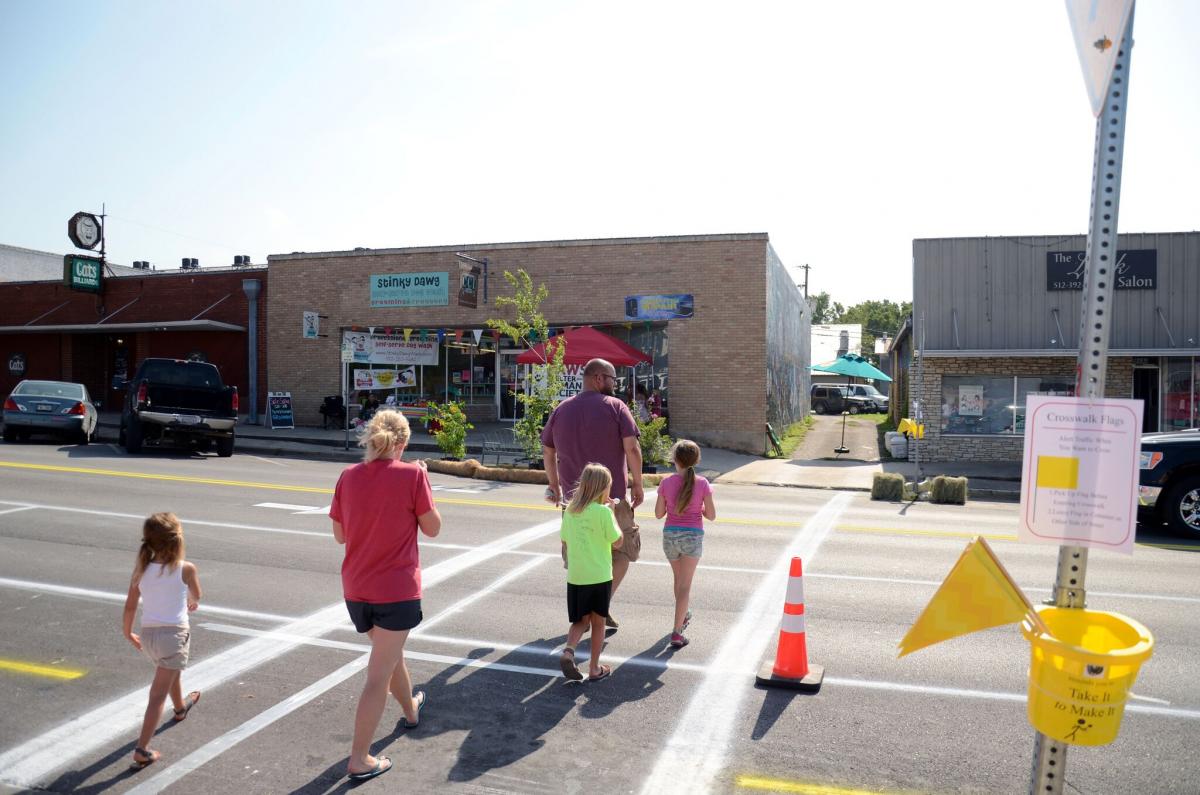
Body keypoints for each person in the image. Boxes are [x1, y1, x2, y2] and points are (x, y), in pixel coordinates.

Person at [330, 408, 442, 782]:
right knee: (377, 675)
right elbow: (433, 529)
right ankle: (359, 759)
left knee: (389, 655)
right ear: (404, 443)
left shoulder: (348, 476)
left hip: (357, 590)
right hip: (396, 591)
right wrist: (424, 480)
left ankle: (410, 709)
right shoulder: (413, 475)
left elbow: (340, 535)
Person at [542, 358, 644, 629]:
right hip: (613, 500)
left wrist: (554, 485)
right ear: (598, 378)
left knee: (579, 558)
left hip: (573, 503)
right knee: (622, 554)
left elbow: (548, 450)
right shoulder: (616, 407)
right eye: (612, 379)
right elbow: (632, 448)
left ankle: (589, 613)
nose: (615, 384)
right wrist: (638, 483)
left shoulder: (562, 410)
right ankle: (601, 607)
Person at [121, 512, 203, 769]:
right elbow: (197, 595)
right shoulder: (186, 568)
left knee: (170, 671)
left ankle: (180, 708)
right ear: (178, 540)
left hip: (149, 636)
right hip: (174, 636)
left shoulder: (141, 570)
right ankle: (142, 749)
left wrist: (127, 632)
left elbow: (130, 606)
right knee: (157, 695)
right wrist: (190, 600)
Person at [559, 463, 623, 682]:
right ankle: (594, 668)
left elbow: (565, 539)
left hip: (577, 576)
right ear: (603, 488)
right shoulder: (604, 512)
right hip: (599, 575)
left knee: (580, 620)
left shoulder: (570, 510)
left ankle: (568, 651)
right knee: (598, 623)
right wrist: (612, 514)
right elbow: (617, 542)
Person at [654, 440, 716, 648]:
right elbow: (712, 515)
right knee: (685, 585)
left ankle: (685, 613)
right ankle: (677, 632)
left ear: (674, 459)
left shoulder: (666, 482)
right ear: (696, 460)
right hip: (692, 536)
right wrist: (698, 509)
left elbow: (658, 514)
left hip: (670, 535)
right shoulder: (703, 483)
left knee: (678, 580)